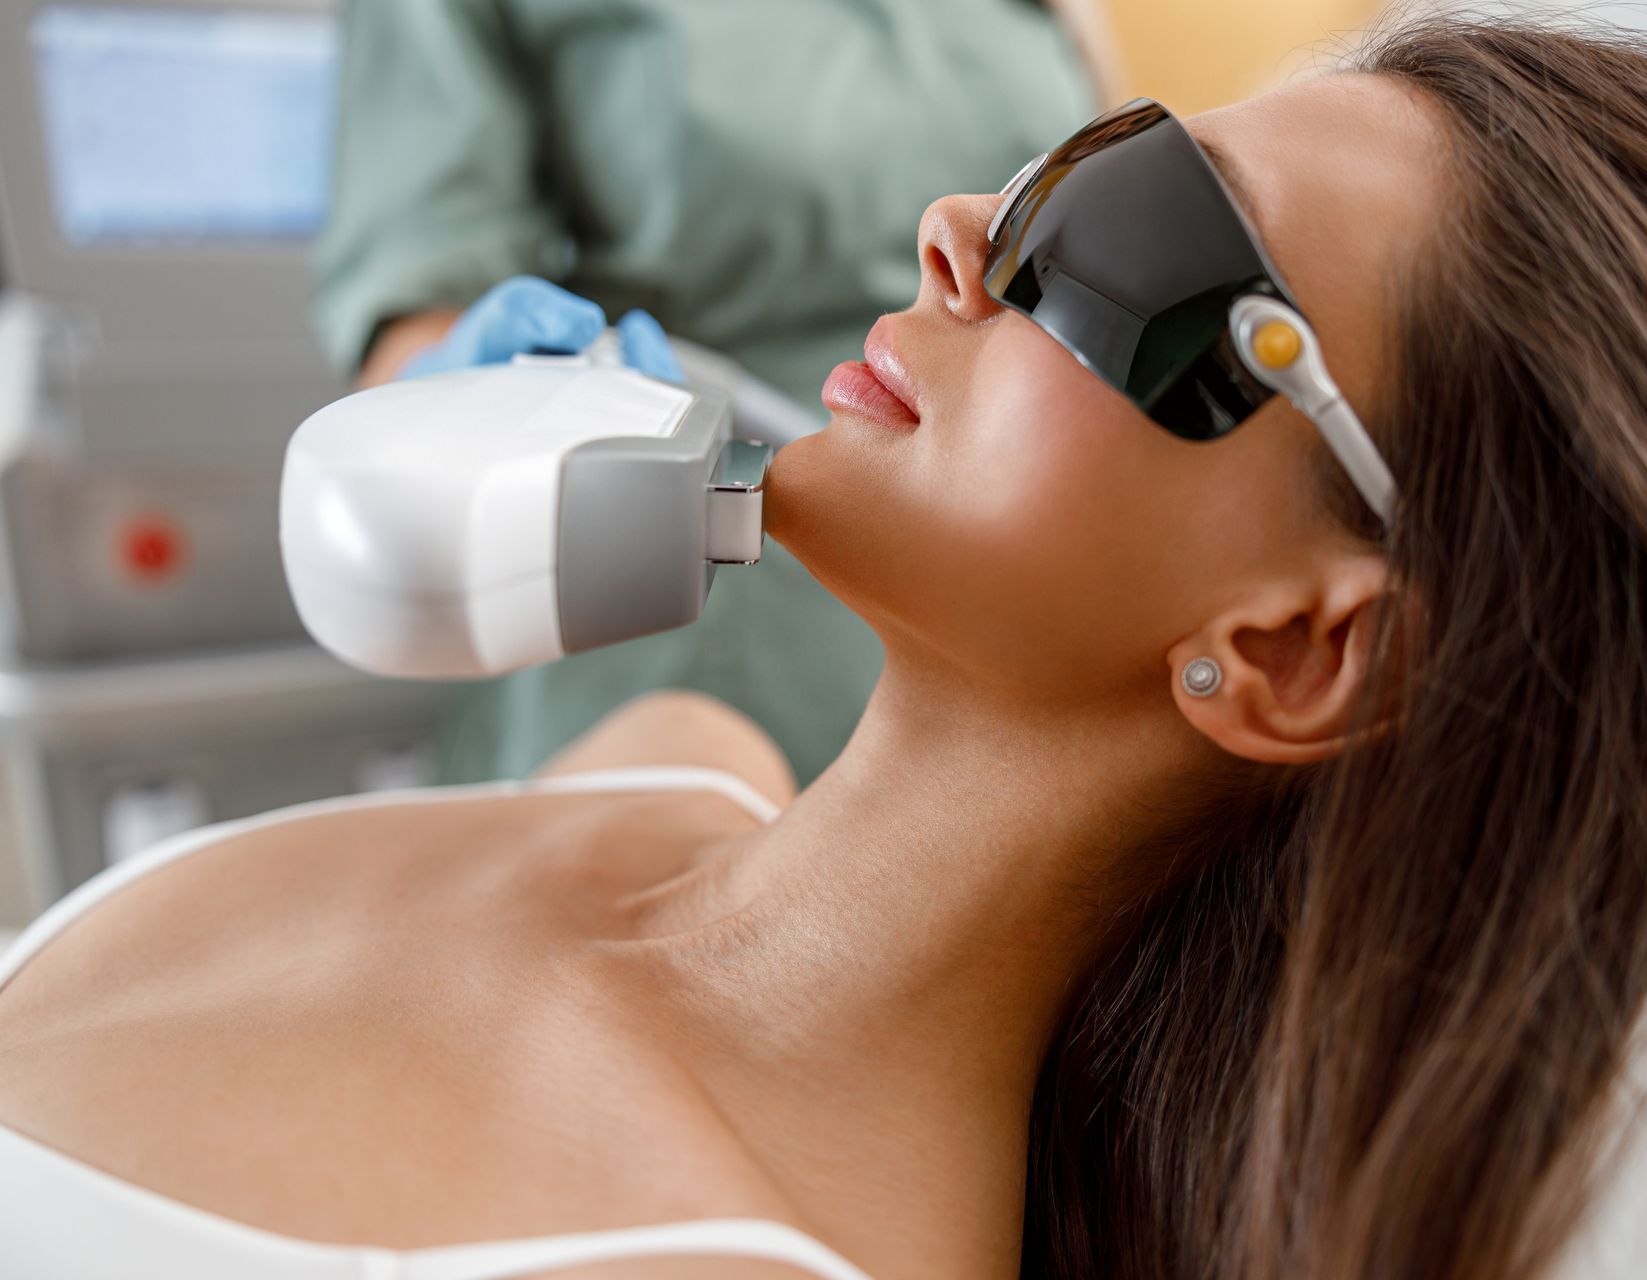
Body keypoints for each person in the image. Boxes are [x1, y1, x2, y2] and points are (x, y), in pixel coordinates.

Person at [4, 16, 1647, 1280]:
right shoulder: (670, 777)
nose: (954, 234)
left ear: (1293, 654)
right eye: (1070, 160)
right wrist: (476, 422)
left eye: (1134, 237)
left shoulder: (728, 1246)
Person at [313, 0, 1108, 787]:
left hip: (1001, 602)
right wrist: (457, 388)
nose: (950, 227)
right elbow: (416, 298)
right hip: (667, 591)